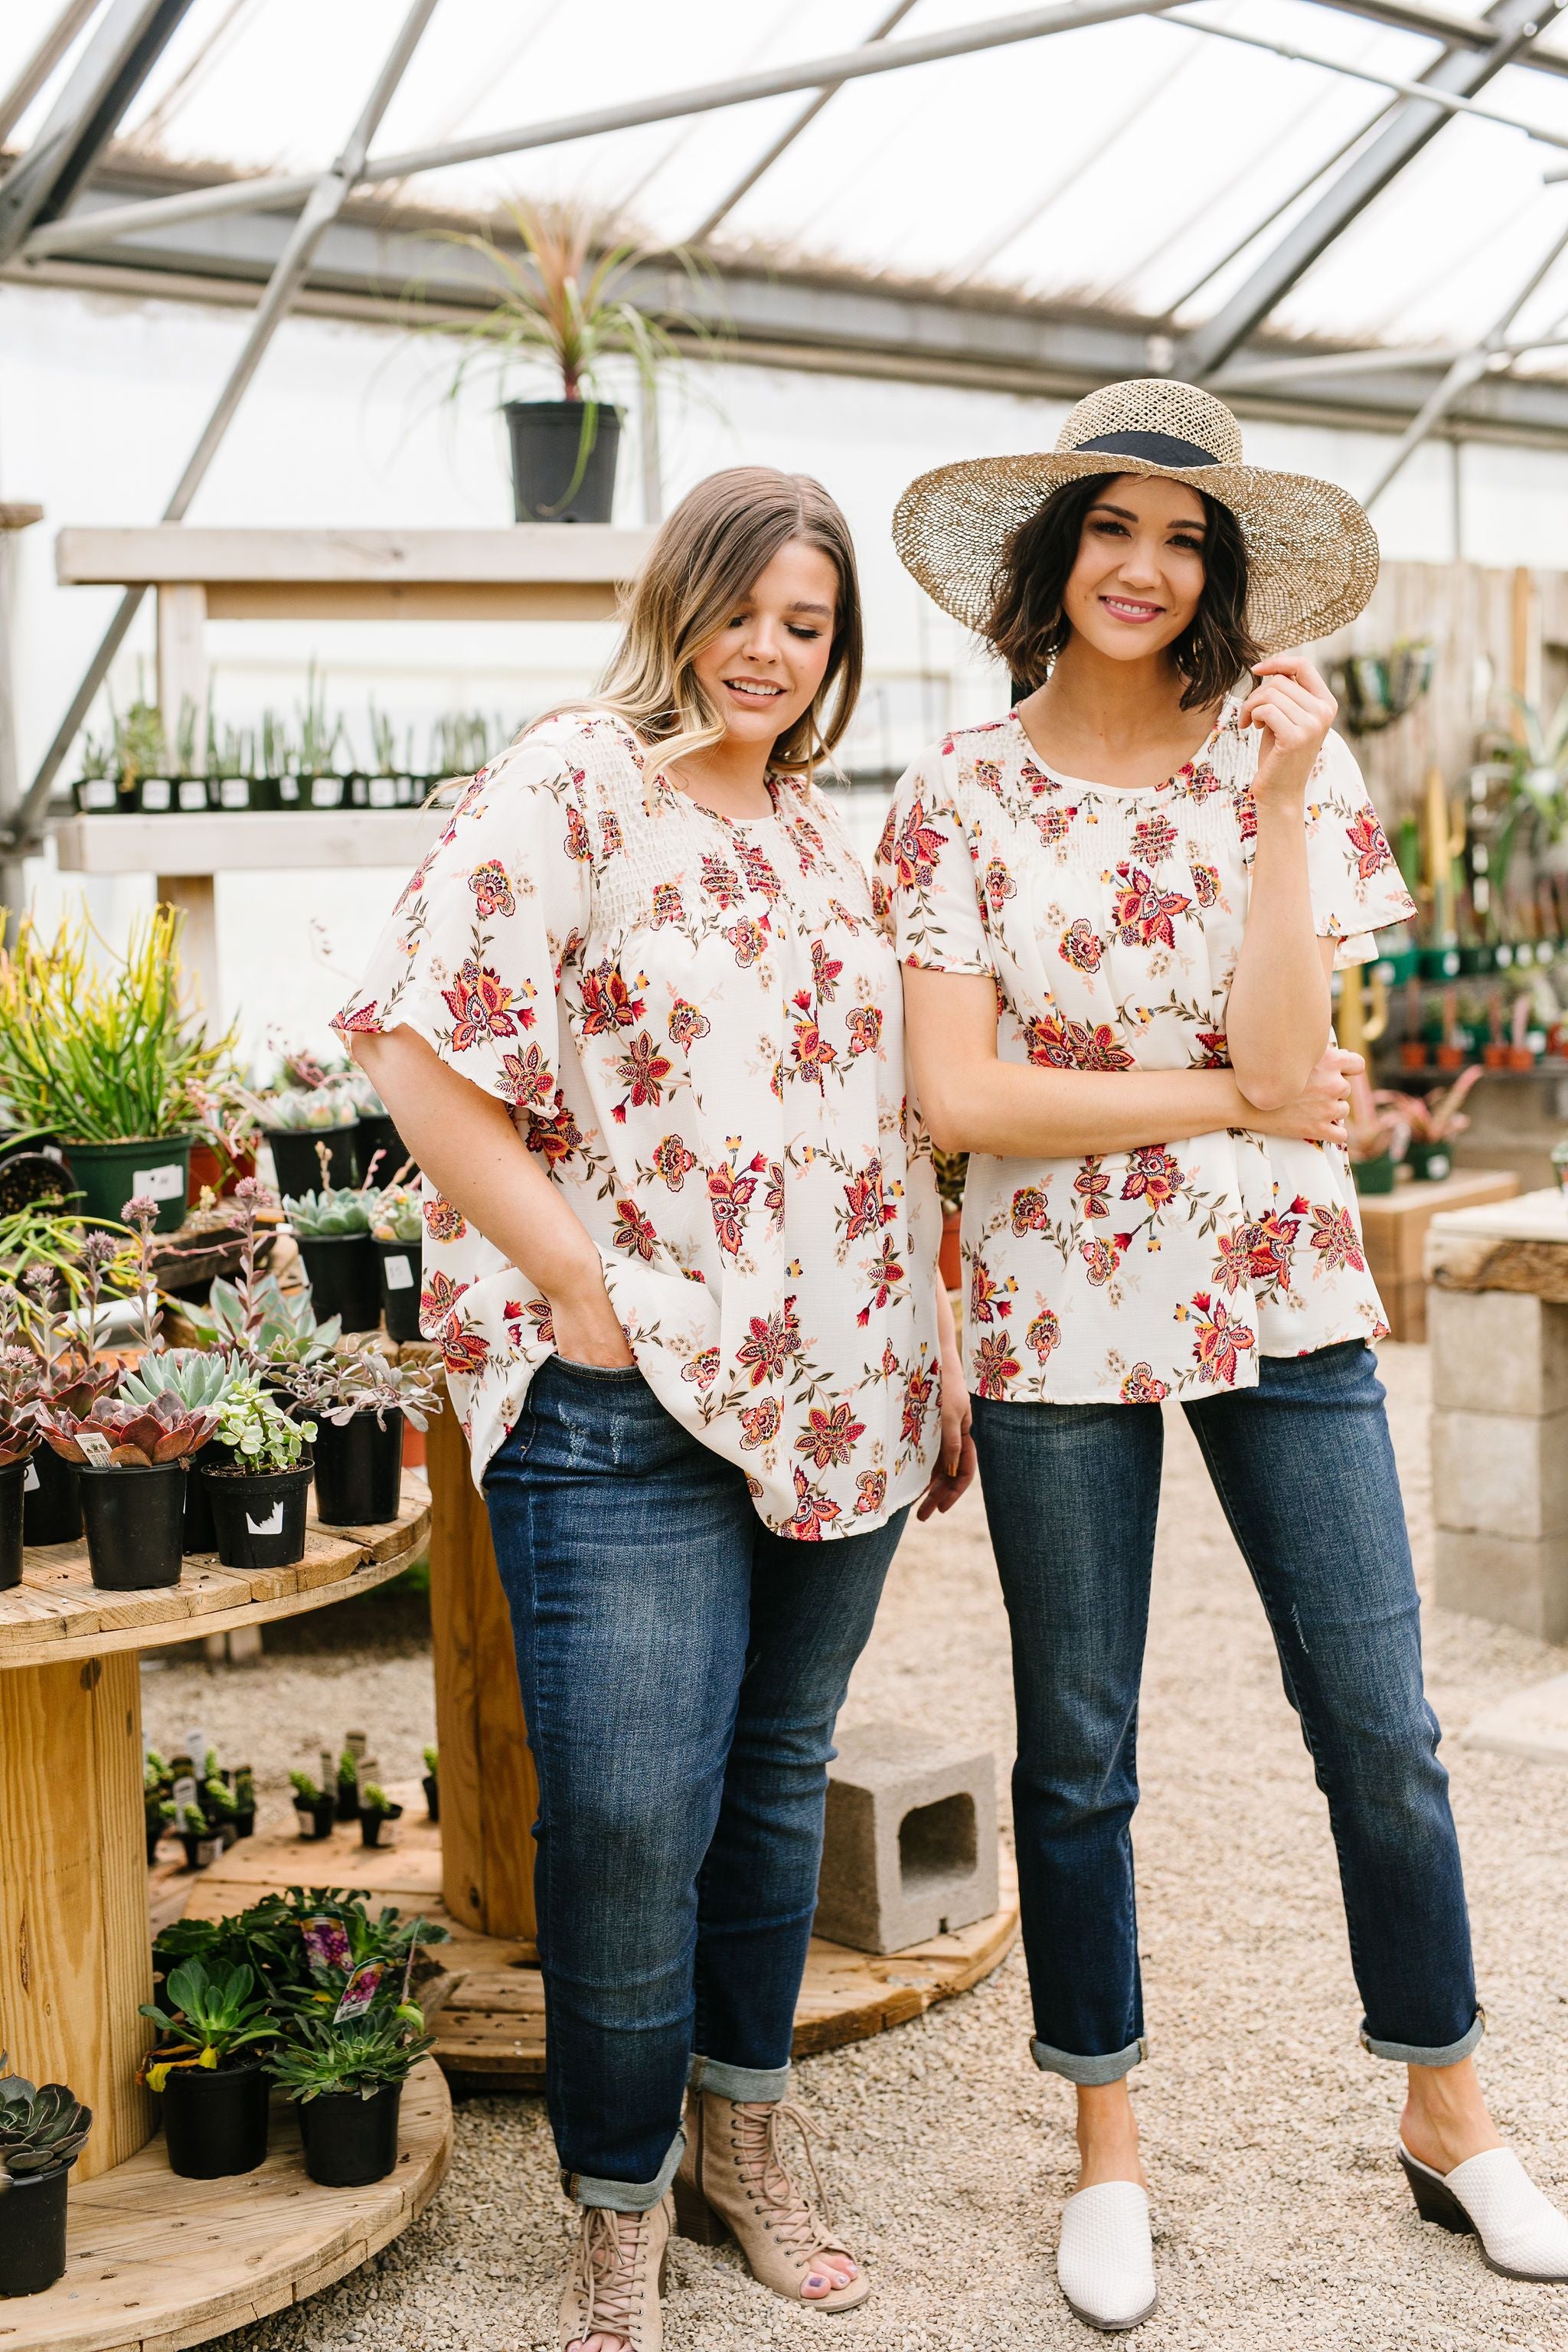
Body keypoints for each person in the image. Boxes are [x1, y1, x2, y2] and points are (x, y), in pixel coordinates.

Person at [880, 378, 1568, 2332]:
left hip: (1281, 1288)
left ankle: (1447, 2107)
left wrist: (1268, 814)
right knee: (1078, 1749)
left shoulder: (1291, 774)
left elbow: (1297, 1063)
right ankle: (1103, 2145)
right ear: (1052, 550)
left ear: (1226, 578)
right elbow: (960, 1095)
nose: (1144, 567)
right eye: (1113, 527)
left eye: (1185, 540)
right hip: (1046, 1319)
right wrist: (1225, 1095)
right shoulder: (953, 794)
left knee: (1383, 1726)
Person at [338, 466, 973, 2352]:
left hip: (844, 1389)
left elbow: (892, 1129)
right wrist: (579, 1287)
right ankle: (617, 2201)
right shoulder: (574, 782)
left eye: (810, 623)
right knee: (626, 1816)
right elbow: (411, 1042)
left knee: (775, 1787)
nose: (772, 653)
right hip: (621, 1406)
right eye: (745, 609)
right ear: (675, 600)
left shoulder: (819, 833)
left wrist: (930, 1349)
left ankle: (739, 2144)